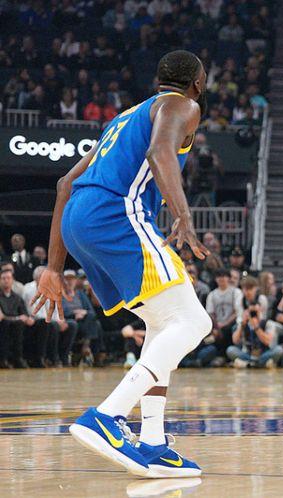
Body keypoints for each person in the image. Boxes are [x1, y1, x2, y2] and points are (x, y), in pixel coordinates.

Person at [32, 50, 210, 477]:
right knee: (194, 323)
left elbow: (65, 184)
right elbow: (160, 153)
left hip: (79, 218)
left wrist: (54, 268)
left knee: (164, 325)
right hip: (116, 213)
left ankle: (153, 442)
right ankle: (108, 415)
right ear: (197, 84)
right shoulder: (182, 105)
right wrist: (183, 215)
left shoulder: (125, 117)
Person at [0, 268, 33, 368]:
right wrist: (17, 318)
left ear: (12, 280)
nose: (6, 280)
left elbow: (25, 314)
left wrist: (27, 318)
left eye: (8, 278)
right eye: (3, 278)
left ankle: (18, 358)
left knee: (22, 324)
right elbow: (1, 317)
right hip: (4, 324)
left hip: (17, 324)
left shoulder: (17, 297)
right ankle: (3, 359)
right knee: (6, 324)